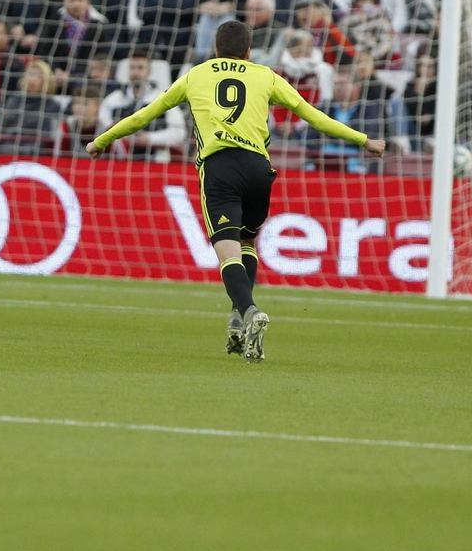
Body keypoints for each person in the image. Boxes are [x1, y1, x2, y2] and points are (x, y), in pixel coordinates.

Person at [87, 19, 385, 362]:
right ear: (248, 52)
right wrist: (365, 141)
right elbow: (315, 117)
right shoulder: (267, 75)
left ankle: (250, 312)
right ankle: (235, 320)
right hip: (259, 169)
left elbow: (144, 116)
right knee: (247, 243)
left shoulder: (196, 75)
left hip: (220, 169)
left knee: (228, 252)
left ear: (215, 49)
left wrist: (102, 141)